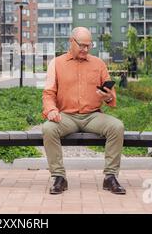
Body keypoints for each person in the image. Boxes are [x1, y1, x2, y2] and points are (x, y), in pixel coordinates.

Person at [42, 27, 126, 195]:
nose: (85, 49)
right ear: (71, 42)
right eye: (82, 45)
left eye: (89, 45)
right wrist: (51, 109)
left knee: (117, 126)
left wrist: (108, 96)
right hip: (66, 116)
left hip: (93, 115)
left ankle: (110, 177)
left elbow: (111, 96)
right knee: (48, 128)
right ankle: (59, 177)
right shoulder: (56, 63)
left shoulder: (99, 64)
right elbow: (48, 93)